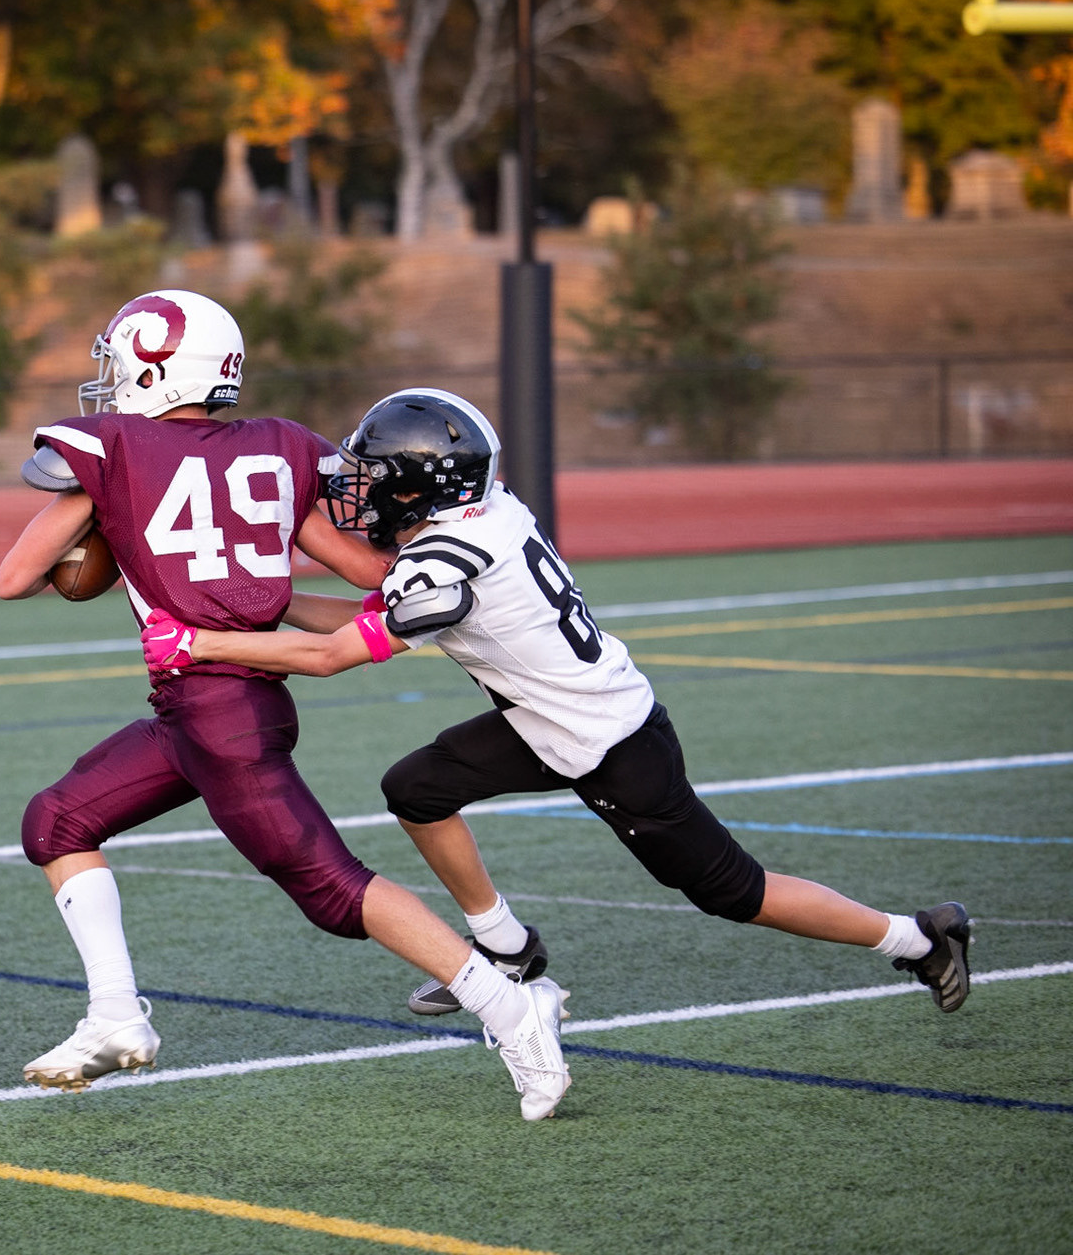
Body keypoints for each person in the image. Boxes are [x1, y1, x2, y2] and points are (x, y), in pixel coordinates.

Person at [146, 387, 972, 1022]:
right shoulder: (486, 513)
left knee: (733, 891)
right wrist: (265, 598)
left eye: (374, 474)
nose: (358, 487)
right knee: (417, 786)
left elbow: (333, 654)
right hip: (547, 719)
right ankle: (506, 947)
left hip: (609, 742)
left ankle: (919, 936)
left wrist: (204, 641)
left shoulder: (445, 563)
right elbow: (359, 610)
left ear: (418, 487)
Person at [0, 292, 574, 1122]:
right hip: (204, 714)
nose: (109, 375)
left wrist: (108, 518)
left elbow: (15, 578)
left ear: (156, 366)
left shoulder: (112, 447)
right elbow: (370, 574)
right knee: (56, 822)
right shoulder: (276, 447)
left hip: (221, 714)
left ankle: (513, 1002)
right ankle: (116, 1016)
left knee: (335, 892)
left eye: (120, 357)